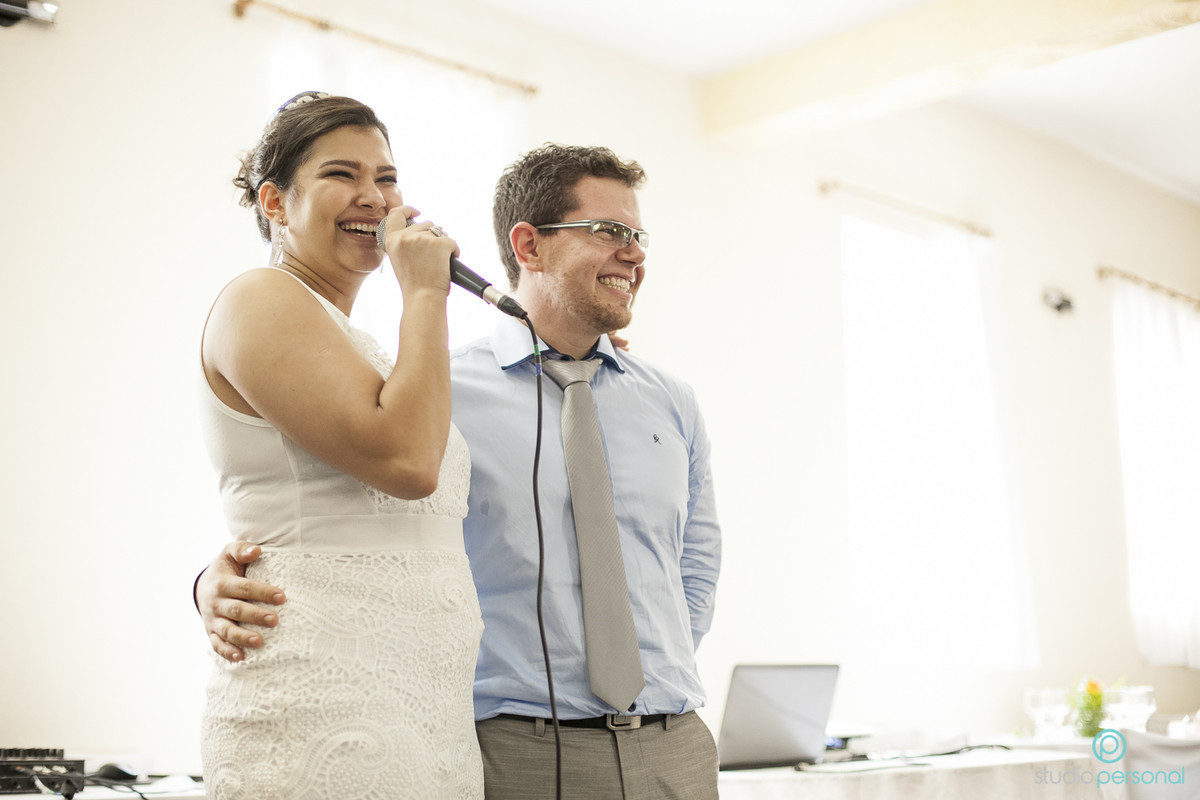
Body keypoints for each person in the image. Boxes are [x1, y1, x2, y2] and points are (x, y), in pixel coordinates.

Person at [197, 143, 723, 799]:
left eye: (638, 235)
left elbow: (696, 566)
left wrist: (658, 685)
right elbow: (340, 514)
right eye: (610, 232)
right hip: (512, 752)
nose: (635, 252)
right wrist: (213, 577)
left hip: (677, 749)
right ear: (528, 245)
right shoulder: (433, 392)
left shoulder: (672, 401)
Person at [197, 91, 484, 799]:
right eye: (341, 175)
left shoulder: (374, 355)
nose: (373, 197)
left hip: (430, 710)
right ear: (274, 202)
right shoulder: (257, 298)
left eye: (386, 179)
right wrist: (424, 294)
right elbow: (408, 463)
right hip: (323, 705)